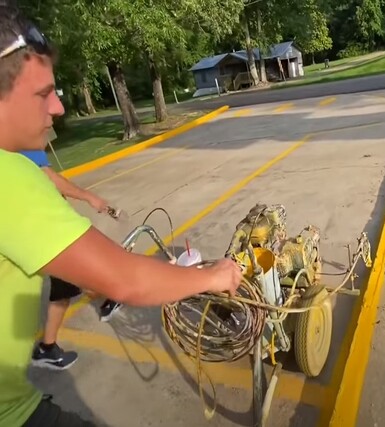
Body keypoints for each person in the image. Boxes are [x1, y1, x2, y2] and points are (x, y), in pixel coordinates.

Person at [0, 7, 242, 427]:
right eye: (43, 94)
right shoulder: (9, 177)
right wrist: (214, 276)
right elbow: (125, 280)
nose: (58, 108)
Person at [19, 149, 116, 370]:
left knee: (68, 283)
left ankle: (106, 299)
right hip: (46, 228)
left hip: (37, 228)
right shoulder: (23, 142)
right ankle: (46, 348)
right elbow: (49, 178)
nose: (55, 112)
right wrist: (89, 196)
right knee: (75, 273)